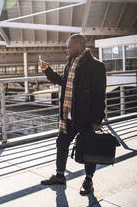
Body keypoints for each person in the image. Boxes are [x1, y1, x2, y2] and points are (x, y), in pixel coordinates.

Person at [39, 34, 106, 195]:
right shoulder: (71, 62)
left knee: (89, 149)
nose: (66, 49)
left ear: (77, 46)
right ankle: (60, 176)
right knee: (61, 143)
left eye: (68, 46)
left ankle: (88, 180)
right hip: (68, 116)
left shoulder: (96, 66)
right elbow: (64, 82)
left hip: (86, 118)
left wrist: (98, 120)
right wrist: (48, 71)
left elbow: (99, 95)